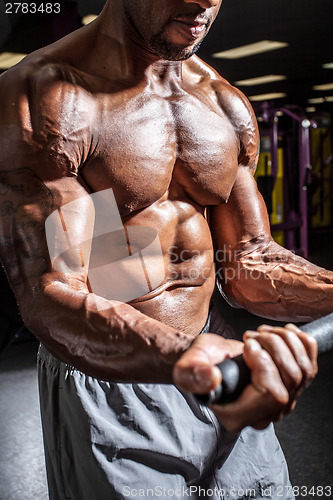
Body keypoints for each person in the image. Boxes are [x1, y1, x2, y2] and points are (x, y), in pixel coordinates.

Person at [0, 0, 331, 498]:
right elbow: (52, 291)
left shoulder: (222, 101)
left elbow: (248, 263)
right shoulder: (46, 96)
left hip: (218, 355)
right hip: (112, 375)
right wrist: (185, 358)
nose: (202, 2)